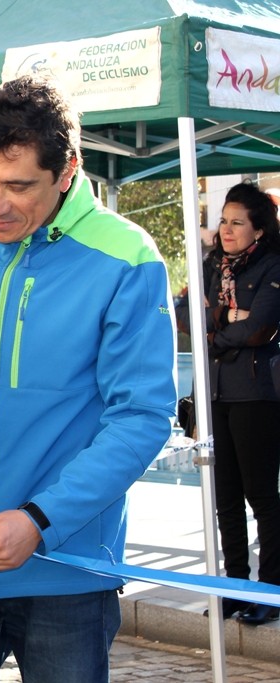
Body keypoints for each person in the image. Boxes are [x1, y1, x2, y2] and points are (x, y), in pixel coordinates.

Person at [0, 75, 176, 682]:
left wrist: (41, 520)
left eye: (18, 186)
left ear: (67, 171)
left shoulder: (128, 257)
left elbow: (142, 416)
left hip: (68, 570)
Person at [184, 181, 280, 625]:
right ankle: (235, 588)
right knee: (225, 498)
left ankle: (270, 592)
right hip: (216, 391)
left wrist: (216, 328)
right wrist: (227, 320)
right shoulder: (210, 266)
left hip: (257, 395)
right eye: (223, 220)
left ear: (258, 230)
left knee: (262, 497)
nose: (226, 228)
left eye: (237, 222)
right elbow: (187, 315)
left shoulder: (273, 265)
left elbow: (258, 328)